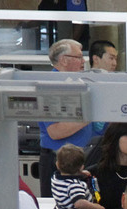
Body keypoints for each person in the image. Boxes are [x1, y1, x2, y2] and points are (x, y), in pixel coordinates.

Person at [38, 39, 95, 198]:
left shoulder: (78, 82)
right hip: (59, 161)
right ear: (63, 60)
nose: (83, 61)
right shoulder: (49, 87)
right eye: (78, 57)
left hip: (82, 158)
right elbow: (55, 131)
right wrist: (91, 116)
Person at [51, 144, 113, 209]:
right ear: (81, 167)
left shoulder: (56, 179)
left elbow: (67, 177)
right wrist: (96, 207)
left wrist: (80, 174)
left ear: (57, 165)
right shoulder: (74, 185)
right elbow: (80, 203)